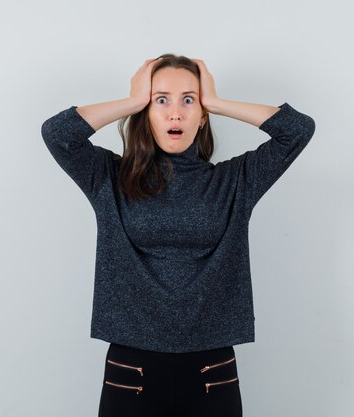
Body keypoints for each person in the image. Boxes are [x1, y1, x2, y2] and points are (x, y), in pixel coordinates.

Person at [41, 53, 316, 417]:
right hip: (131, 367)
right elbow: (57, 134)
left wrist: (216, 102)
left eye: (189, 100)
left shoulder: (233, 182)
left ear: (202, 117)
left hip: (210, 369)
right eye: (161, 100)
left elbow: (298, 130)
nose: (175, 113)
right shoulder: (110, 178)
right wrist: (132, 101)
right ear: (146, 113)